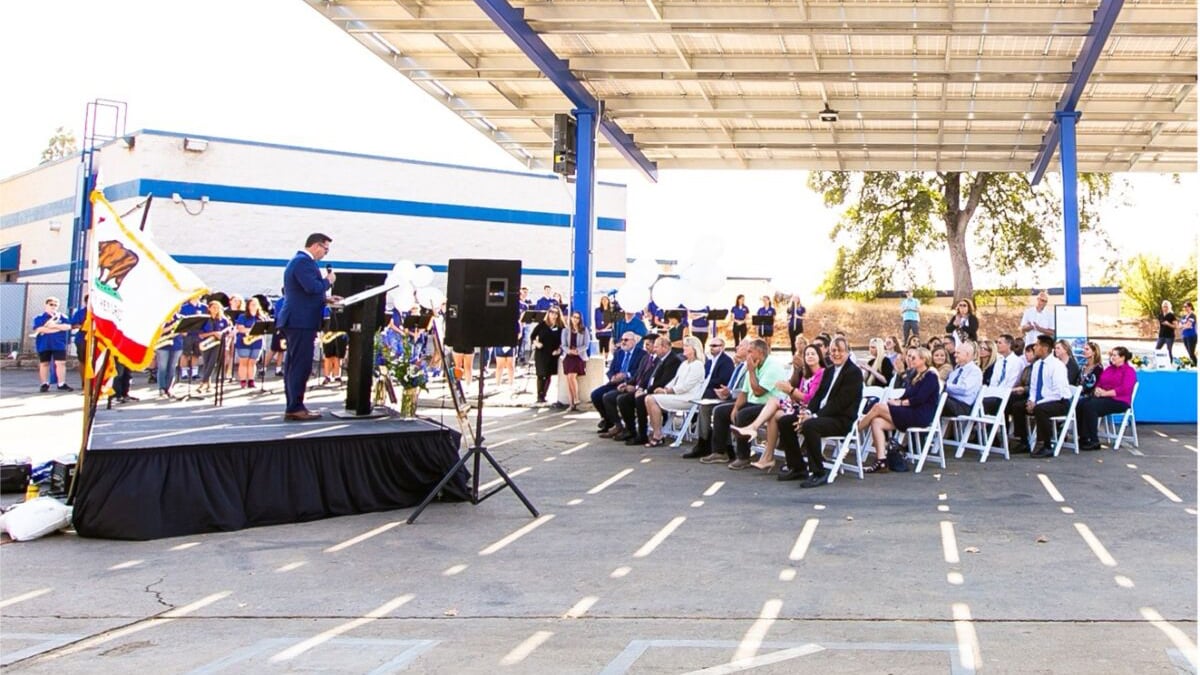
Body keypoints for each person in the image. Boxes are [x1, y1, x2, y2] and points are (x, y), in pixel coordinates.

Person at [775, 337, 865, 487]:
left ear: (848, 352)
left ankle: (818, 472)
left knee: (810, 426)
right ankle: (797, 467)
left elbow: (840, 403)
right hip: (821, 415)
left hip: (841, 419)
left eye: (840, 351)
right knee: (785, 421)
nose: (836, 354)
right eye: (833, 351)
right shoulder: (829, 371)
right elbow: (817, 397)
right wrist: (807, 412)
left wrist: (813, 416)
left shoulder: (853, 373)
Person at [732, 343, 827, 472]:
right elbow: (795, 391)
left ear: (819, 357)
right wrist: (795, 372)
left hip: (809, 410)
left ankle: (754, 429)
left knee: (773, 401)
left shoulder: (822, 374)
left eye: (813, 354)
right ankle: (768, 457)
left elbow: (810, 398)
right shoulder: (806, 374)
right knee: (774, 414)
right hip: (797, 405)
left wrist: (790, 390)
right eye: (807, 354)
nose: (809, 356)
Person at [278, 233, 336, 420]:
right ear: (316, 246)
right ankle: (295, 407)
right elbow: (311, 287)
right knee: (300, 366)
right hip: (300, 320)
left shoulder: (299, 261)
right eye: (325, 249)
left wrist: (325, 299)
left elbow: (305, 291)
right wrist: (328, 281)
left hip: (298, 319)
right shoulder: (303, 262)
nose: (325, 254)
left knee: (294, 365)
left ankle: (294, 404)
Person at [704, 338, 786, 470]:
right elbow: (745, 392)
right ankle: (720, 452)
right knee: (720, 411)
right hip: (752, 402)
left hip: (768, 405)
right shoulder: (753, 364)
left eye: (750, 351)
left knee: (743, 415)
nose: (748, 355)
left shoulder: (772, 367)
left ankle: (743, 457)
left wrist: (751, 371)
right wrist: (735, 407)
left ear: (759, 352)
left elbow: (758, 391)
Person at [856, 347, 941, 473]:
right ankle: (881, 461)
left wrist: (900, 403)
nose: (910, 360)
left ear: (923, 360)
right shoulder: (915, 375)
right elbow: (907, 394)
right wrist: (894, 400)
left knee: (878, 407)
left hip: (920, 414)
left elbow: (920, 398)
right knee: (876, 422)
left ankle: (854, 431)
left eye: (914, 358)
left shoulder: (930, 376)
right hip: (909, 412)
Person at [682, 338, 748, 459]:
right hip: (724, 394)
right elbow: (731, 385)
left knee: (716, 408)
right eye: (710, 345)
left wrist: (724, 390)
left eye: (715, 345)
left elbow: (724, 380)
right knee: (704, 406)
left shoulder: (727, 361)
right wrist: (728, 391)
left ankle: (721, 448)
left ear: (722, 347)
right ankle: (703, 441)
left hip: (729, 397)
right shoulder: (710, 362)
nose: (737, 347)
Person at [1012, 335, 1072, 457]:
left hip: (1059, 401)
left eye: (1037, 345)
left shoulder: (1057, 366)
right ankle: (1023, 441)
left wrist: (1038, 403)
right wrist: (1031, 400)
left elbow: (1058, 391)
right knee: (1017, 406)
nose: (1034, 347)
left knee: (1041, 409)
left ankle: (1046, 445)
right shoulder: (1037, 365)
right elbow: (1033, 387)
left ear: (1045, 348)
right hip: (1040, 400)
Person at [644, 336, 708, 446]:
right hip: (678, 395)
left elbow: (686, 386)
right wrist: (665, 389)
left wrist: (668, 391)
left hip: (689, 398)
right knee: (649, 398)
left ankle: (658, 435)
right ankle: (657, 432)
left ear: (694, 348)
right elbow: (675, 380)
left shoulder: (698, 365)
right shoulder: (684, 364)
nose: (684, 348)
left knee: (651, 399)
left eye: (687, 346)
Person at [618, 336, 681, 446]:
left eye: (656, 347)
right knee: (623, 399)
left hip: (661, 392)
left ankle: (643, 434)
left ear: (665, 347)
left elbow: (664, 381)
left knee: (640, 400)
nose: (654, 349)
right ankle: (631, 431)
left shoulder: (673, 360)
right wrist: (640, 388)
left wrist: (646, 391)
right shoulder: (660, 359)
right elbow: (648, 377)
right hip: (650, 389)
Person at [1076, 346, 1138, 451]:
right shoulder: (1109, 369)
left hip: (1119, 400)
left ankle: (1094, 440)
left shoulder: (1129, 371)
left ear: (1122, 357)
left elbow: (1124, 389)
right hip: (1103, 397)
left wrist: (1105, 393)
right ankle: (1083, 436)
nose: (1112, 358)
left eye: (1115, 355)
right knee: (1081, 403)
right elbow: (1100, 381)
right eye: (1111, 355)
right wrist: (1097, 390)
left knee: (1091, 407)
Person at [603, 334, 659, 440]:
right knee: (607, 396)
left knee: (625, 399)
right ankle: (623, 427)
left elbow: (653, 379)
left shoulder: (657, 360)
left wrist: (637, 388)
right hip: (629, 385)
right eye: (645, 345)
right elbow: (638, 375)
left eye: (648, 344)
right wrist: (627, 384)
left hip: (646, 390)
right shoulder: (646, 357)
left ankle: (639, 433)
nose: (645, 347)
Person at [592, 332, 645, 434]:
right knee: (595, 395)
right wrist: (612, 377)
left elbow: (640, 371)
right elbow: (611, 369)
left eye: (626, 340)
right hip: (615, 382)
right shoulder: (619, 353)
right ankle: (608, 421)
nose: (623, 342)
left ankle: (618, 425)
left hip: (629, 383)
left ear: (633, 342)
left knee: (608, 397)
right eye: (622, 340)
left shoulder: (641, 354)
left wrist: (626, 375)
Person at [32, 297, 73, 392]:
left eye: (56, 305)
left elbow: (67, 326)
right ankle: (44, 383)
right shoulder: (40, 317)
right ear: (46, 305)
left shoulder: (62, 317)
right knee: (44, 363)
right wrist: (58, 329)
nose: (53, 307)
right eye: (51, 304)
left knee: (61, 363)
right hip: (44, 344)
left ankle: (61, 383)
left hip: (59, 344)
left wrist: (54, 326)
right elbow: (40, 329)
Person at [530, 305, 564, 404]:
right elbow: (532, 336)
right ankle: (539, 395)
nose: (553, 315)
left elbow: (564, 340)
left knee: (548, 375)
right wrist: (536, 343)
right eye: (552, 312)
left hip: (553, 354)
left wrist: (559, 349)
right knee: (541, 374)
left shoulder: (560, 327)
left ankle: (544, 395)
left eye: (556, 313)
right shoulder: (542, 325)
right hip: (541, 353)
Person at [196, 299, 231, 393]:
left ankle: (203, 383)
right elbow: (201, 334)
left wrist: (223, 334)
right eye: (214, 307)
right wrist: (214, 333)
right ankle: (209, 385)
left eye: (218, 307)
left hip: (218, 344)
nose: (216, 309)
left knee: (212, 363)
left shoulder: (223, 319)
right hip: (206, 343)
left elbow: (228, 330)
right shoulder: (205, 319)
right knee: (206, 363)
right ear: (209, 308)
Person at [943, 341, 983, 417]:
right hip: (950, 401)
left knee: (934, 399)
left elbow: (964, 389)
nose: (955, 355)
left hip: (962, 406)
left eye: (958, 353)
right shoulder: (956, 371)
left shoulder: (975, 371)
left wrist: (945, 386)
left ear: (967, 354)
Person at [235, 297, 268, 388]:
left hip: (257, 342)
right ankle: (242, 381)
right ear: (248, 306)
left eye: (256, 304)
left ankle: (251, 381)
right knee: (244, 362)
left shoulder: (262, 317)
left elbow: (266, 329)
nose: (254, 306)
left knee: (253, 362)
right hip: (244, 341)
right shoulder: (243, 316)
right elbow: (240, 328)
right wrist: (254, 330)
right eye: (252, 304)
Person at [561, 310, 591, 411]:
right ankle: (571, 403)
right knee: (568, 378)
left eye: (577, 318)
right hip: (568, 356)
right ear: (571, 318)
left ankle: (576, 398)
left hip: (579, 356)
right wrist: (569, 351)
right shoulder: (566, 330)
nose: (575, 319)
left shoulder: (584, 330)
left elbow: (586, 345)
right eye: (574, 317)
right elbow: (563, 345)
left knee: (572, 376)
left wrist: (577, 351)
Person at [69, 295, 89, 387]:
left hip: (98, 339)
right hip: (82, 338)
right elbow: (73, 325)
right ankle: (84, 383)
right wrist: (83, 326)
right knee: (83, 361)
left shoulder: (100, 312)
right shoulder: (80, 313)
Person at [594, 295, 614, 360]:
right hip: (599, 331)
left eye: (606, 300)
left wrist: (605, 329)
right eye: (603, 300)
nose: (604, 301)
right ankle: (600, 358)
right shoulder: (597, 310)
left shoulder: (611, 310)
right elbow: (595, 319)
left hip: (607, 332)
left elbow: (611, 321)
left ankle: (605, 359)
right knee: (600, 345)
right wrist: (596, 329)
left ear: (608, 301)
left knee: (606, 345)